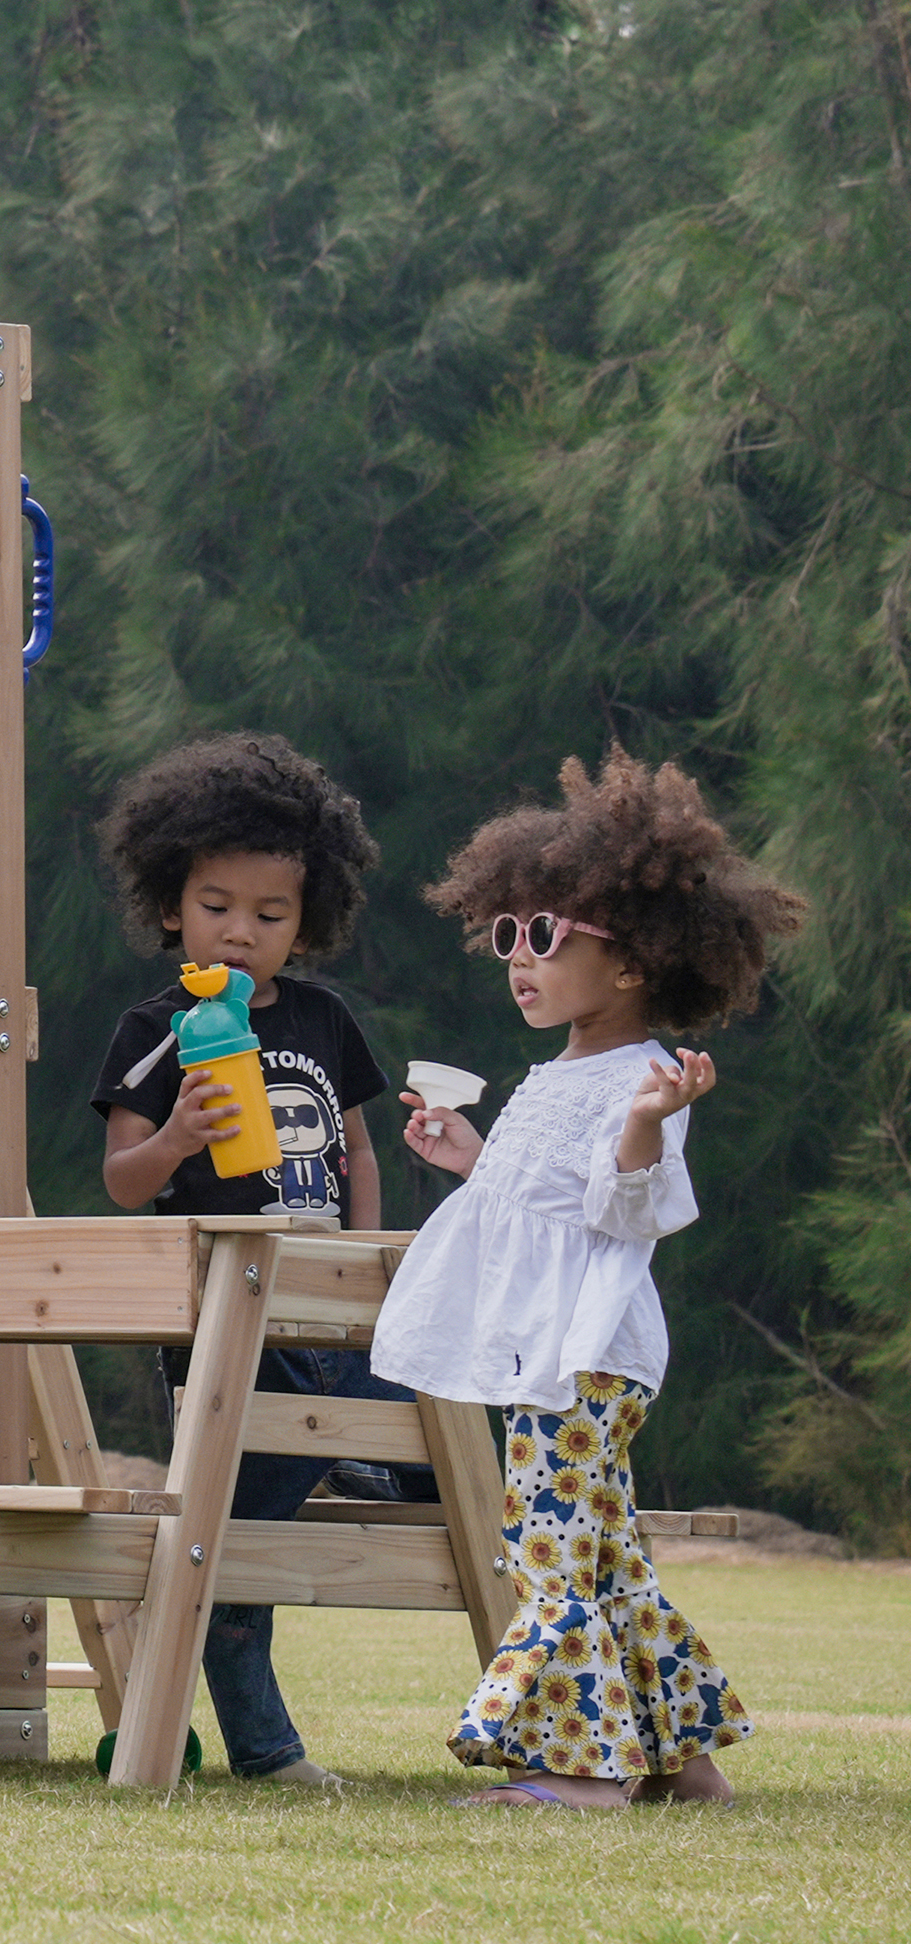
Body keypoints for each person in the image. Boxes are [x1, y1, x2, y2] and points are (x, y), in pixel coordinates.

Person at [384, 746, 797, 1810]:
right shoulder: (557, 1073)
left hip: (580, 1360)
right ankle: (680, 1759)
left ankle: (576, 1773)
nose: (516, 958)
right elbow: (541, 1207)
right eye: (507, 936)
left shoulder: (640, 1082)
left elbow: (626, 1215)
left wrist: (646, 1131)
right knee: (601, 1554)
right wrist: (469, 1158)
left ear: (631, 965)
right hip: (549, 1353)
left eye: (544, 938)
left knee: (549, 1551)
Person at [85, 730, 418, 1789]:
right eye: (217, 907)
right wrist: (178, 1137)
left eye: (270, 916)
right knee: (230, 1545)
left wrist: (369, 1266)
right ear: (171, 906)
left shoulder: (322, 1018)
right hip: (227, 1324)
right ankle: (267, 1753)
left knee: (438, 1459)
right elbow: (122, 1180)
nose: (240, 933)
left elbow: (356, 1149)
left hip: (332, 1310)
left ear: (305, 924)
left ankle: (359, 1458)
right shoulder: (157, 1026)